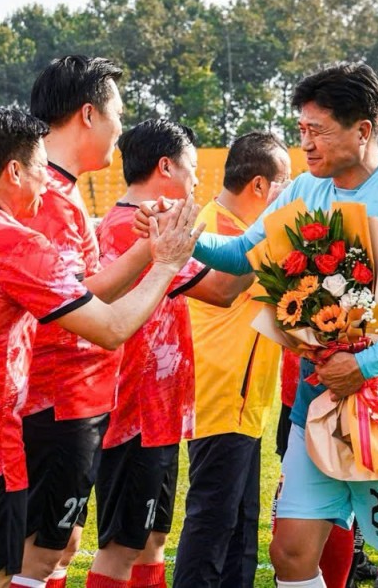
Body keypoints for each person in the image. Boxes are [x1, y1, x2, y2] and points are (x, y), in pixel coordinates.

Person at [175, 62, 378, 588]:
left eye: (318, 131)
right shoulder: (304, 190)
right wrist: (181, 236)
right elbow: (243, 253)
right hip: (317, 406)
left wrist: (365, 364)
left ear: (363, 130)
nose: (304, 144)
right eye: (301, 130)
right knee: (290, 552)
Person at [0, 107, 201, 588]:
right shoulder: (17, 243)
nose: (44, 184)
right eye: (39, 169)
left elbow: (86, 293)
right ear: (14, 170)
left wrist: (147, 249)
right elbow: (112, 327)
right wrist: (165, 265)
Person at [87, 120, 254, 588]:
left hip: (153, 412)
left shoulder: (130, 221)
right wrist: (273, 243)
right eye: (193, 169)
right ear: (166, 166)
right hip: (133, 412)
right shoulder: (141, 227)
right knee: (120, 549)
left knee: (150, 541)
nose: (197, 180)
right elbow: (222, 289)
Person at [13, 55, 158, 588]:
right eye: (117, 112)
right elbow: (69, 300)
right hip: (54, 396)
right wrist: (154, 253)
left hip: (77, 394)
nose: (122, 126)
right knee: (40, 549)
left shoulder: (63, 188)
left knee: (61, 543)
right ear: (90, 114)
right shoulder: (46, 195)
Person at [171, 132, 292, 588]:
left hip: (247, 401)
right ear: (259, 186)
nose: (291, 192)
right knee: (212, 523)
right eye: (285, 182)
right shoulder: (215, 227)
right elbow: (224, 288)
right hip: (220, 395)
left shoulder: (240, 229)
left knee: (240, 527)